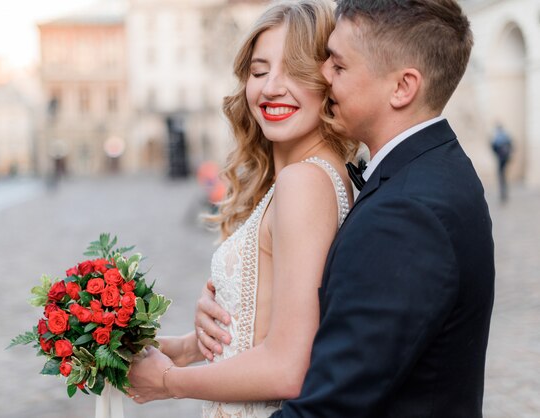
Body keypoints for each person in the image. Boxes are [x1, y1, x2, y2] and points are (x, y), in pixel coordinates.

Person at [196, 1, 495, 417]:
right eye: (259, 71)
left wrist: (165, 381)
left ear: (402, 87)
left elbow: (332, 402)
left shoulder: (406, 211)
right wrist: (228, 318)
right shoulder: (423, 173)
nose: (324, 77)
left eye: (337, 66)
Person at [127, 1, 358, 416]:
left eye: (295, 70)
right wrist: (183, 349)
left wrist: (167, 382)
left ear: (329, 80)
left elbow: (289, 366)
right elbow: (269, 323)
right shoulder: (309, 176)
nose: (271, 87)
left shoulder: (304, 182)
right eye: (259, 70)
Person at [491, 123, 513, 203]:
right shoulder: (506, 136)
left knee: (501, 176)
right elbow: (511, 146)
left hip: (501, 159)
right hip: (505, 158)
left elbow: (493, 146)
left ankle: (502, 193)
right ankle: (504, 193)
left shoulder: (497, 136)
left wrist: (497, 154)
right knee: (503, 176)